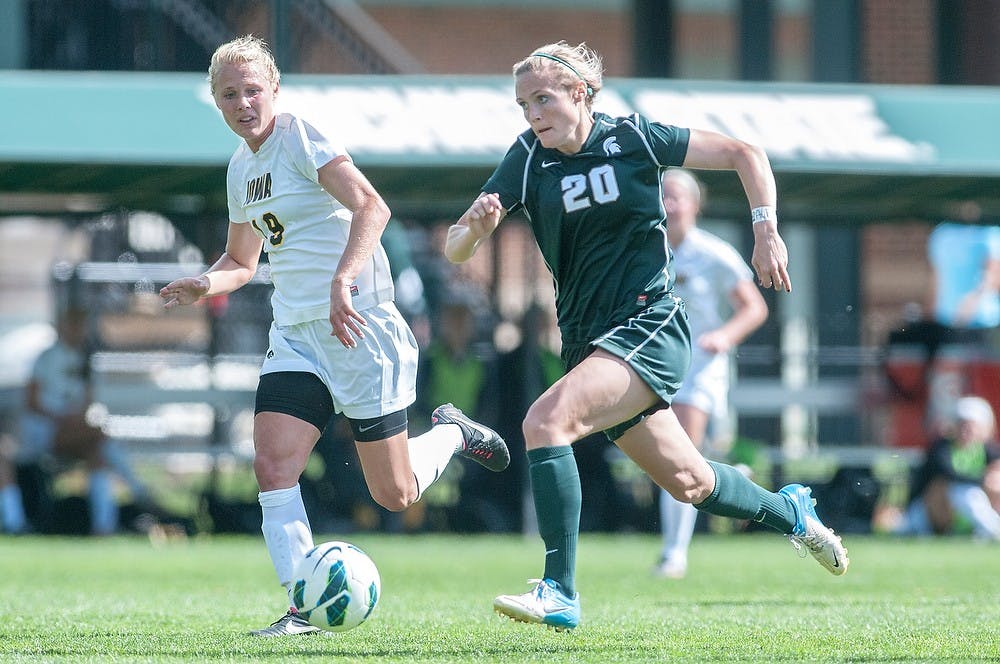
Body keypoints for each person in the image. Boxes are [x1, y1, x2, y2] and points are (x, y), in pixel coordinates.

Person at [443, 41, 849, 631]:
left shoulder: (634, 138)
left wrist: (766, 231)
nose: (531, 113)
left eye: (543, 99)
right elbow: (457, 248)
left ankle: (559, 590)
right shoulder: (528, 157)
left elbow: (745, 152)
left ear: (580, 93)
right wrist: (473, 231)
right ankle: (791, 511)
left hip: (649, 325)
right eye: (523, 103)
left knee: (545, 422)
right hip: (587, 344)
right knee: (692, 483)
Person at [159, 35, 509, 637]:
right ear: (216, 104)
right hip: (296, 334)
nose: (243, 102)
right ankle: (302, 609)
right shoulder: (241, 167)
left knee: (395, 492)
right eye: (229, 95)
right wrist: (206, 284)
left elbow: (373, 206)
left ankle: (452, 432)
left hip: (359, 326)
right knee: (273, 467)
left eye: (252, 90)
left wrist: (344, 279)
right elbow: (242, 261)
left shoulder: (299, 136)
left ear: (274, 90)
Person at [653, 168, 768, 579]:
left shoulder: (714, 254)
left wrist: (723, 336)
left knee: (679, 455)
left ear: (694, 204)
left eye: (675, 197)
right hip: (657, 365)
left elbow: (754, 308)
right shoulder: (647, 250)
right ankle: (735, 477)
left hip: (700, 367)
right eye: (661, 196)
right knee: (678, 458)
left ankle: (673, 554)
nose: (667, 205)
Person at [12, 306, 153, 535]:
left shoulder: (84, 361)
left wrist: (75, 420)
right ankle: (139, 491)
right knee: (99, 435)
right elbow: (32, 402)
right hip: (44, 431)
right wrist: (62, 418)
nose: (77, 330)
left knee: (97, 453)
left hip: (73, 432)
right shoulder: (46, 358)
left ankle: (103, 527)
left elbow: (87, 402)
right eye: (72, 324)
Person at [893, 395, 1000, 540]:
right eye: (963, 425)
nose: (967, 431)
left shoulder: (989, 451)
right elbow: (949, 475)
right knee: (962, 491)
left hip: (966, 510)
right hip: (929, 511)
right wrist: (983, 479)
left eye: (972, 426)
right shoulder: (941, 449)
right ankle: (992, 529)